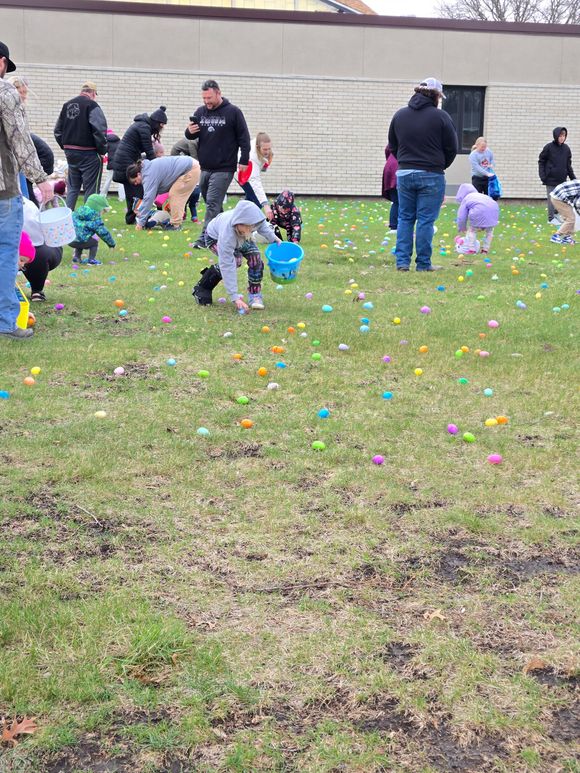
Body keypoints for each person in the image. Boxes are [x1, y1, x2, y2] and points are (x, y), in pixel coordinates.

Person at [0, 40, 53, 340]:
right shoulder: (4, 91)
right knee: (6, 252)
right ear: (1, 63)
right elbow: (20, 138)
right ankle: (6, 322)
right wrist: (40, 178)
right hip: (3, 188)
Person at [387, 77, 458, 272]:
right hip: (431, 174)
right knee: (426, 220)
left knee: (405, 218)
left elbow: (392, 145)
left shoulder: (400, 115)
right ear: (436, 96)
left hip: (404, 173)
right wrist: (440, 165)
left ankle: (402, 262)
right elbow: (452, 147)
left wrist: (404, 161)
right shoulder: (441, 117)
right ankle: (423, 264)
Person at [185, 79, 251, 248]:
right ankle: (224, 232)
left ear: (218, 93)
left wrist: (244, 159)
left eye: (209, 98)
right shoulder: (200, 112)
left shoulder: (233, 112)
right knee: (212, 203)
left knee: (213, 203)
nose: (206, 101)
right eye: (204, 98)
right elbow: (192, 136)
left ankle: (205, 239)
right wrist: (189, 131)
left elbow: (244, 138)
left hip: (224, 167)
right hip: (205, 167)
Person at [192, 200, 280, 310]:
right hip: (214, 237)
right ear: (238, 223)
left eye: (251, 227)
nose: (250, 229)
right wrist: (234, 297)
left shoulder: (252, 222)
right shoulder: (227, 234)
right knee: (235, 261)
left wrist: (274, 239)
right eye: (245, 227)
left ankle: (255, 294)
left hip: (242, 238)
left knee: (255, 258)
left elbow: (262, 226)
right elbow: (227, 263)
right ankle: (203, 286)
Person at [54, 81, 107, 210]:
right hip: (89, 153)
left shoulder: (67, 105)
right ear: (93, 93)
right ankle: (89, 217)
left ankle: (67, 216)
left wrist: (66, 147)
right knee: (91, 189)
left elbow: (57, 131)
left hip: (71, 154)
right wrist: (102, 150)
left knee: (73, 187)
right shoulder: (92, 105)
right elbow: (99, 130)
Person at [113, 107, 167, 224]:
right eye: (161, 125)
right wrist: (159, 167)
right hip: (126, 160)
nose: (161, 128)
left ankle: (131, 218)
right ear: (156, 122)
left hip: (124, 160)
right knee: (139, 190)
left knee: (131, 192)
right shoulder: (144, 127)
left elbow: (144, 148)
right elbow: (149, 150)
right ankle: (138, 217)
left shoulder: (142, 125)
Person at [127, 155, 200, 232]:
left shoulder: (148, 175)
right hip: (189, 166)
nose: (136, 184)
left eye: (135, 181)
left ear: (138, 174)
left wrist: (140, 223)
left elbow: (148, 198)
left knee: (175, 195)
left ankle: (175, 225)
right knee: (174, 194)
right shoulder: (147, 169)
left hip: (190, 169)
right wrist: (141, 211)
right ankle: (173, 222)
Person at [20, 198, 63, 301]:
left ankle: (37, 289)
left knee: (37, 254)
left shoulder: (23, 207)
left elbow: (33, 241)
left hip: (36, 244)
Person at [538, 128, 575, 224]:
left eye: (564, 136)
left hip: (562, 179)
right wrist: (543, 176)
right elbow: (541, 161)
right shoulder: (548, 147)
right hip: (550, 179)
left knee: (561, 199)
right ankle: (551, 219)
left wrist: (573, 179)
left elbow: (568, 165)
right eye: (560, 136)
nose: (562, 138)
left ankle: (556, 215)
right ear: (556, 136)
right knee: (552, 199)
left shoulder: (566, 149)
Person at [455, 183, 500, 257]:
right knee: (489, 231)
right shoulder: (482, 196)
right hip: (494, 211)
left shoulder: (467, 198)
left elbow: (461, 216)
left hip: (479, 212)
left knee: (472, 230)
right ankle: (485, 249)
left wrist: (462, 227)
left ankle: (471, 249)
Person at [69, 194, 115, 264]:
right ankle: (91, 260)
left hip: (70, 239)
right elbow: (103, 232)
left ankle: (76, 258)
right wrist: (111, 243)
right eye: (103, 211)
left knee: (81, 237)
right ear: (98, 208)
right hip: (79, 240)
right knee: (94, 243)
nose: (103, 213)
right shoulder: (95, 218)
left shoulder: (78, 211)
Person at [242, 132, 274, 219]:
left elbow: (263, 169)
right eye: (265, 149)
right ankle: (244, 220)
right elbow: (255, 182)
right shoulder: (252, 157)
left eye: (269, 149)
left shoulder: (263, 145)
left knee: (250, 200)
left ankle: (241, 219)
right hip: (241, 174)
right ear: (257, 147)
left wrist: (266, 164)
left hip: (250, 173)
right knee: (257, 201)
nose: (267, 152)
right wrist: (265, 205)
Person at [171, 136, 201, 221]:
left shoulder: (198, 141)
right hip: (177, 155)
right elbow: (195, 159)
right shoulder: (193, 141)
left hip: (184, 155)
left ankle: (183, 215)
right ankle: (182, 215)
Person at [548, 180, 580, 245]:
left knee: (571, 218)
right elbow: (577, 203)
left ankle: (567, 238)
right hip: (558, 198)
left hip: (560, 196)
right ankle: (556, 236)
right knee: (570, 219)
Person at [382, 144, 399, 233]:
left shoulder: (396, 139)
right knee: (400, 202)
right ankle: (395, 226)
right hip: (401, 168)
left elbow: (387, 150)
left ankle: (394, 226)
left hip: (390, 168)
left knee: (396, 202)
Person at [101, 128, 121, 198]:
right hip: (119, 163)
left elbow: (103, 152)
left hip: (112, 164)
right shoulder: (119, 141)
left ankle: (103, 195)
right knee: (121, 181)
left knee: (108, 180)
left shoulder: (107, 143)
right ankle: (122, 197)